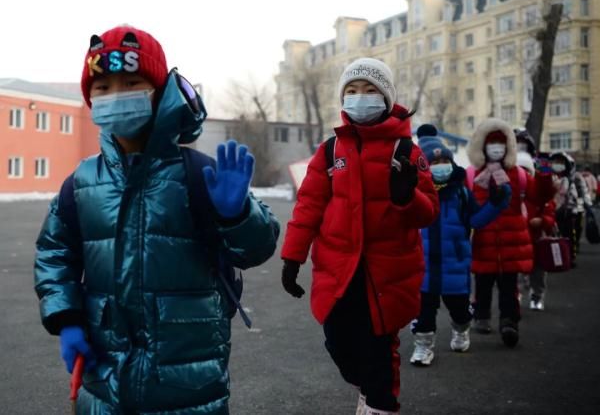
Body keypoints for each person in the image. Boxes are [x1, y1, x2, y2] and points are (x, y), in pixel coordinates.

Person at [34, 25, 280, 414]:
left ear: (159, 92)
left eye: (132, 83)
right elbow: (54, 254)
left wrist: (237, 215)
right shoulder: (81, 183)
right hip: (104, 382)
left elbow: (257, 248)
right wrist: (66, 317)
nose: (116, 97)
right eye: (102, 88)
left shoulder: (200, 175)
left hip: (189, 382)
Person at [280, 58, 439, 414]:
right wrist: (293, 257)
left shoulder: (408, 153)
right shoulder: (330, 151)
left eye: (370, 90)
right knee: (338, 343)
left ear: (386, 97)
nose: (360, 98)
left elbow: (429, 212)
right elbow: (308, 206)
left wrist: (406, 197)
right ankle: (367, 387)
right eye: (352, 91)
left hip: (387, 274)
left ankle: (380, 403)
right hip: (339, 271)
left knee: (380, 350)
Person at [409, 125, 509, 366]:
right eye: (434, 162)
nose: (441, 165)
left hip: (456, 267)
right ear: (423, 167)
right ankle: (423, 347)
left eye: (445, 160)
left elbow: (476, 220)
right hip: (423, 270)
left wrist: (497, 201)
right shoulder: (414, 194)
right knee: (423, 314)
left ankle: (461, 329)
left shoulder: (461, 194)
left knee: (461, 312)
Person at [466, 118, 553, 348]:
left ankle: (509, 323)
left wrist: (544, 175)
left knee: (509, 287)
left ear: (509, 146)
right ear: (482, 146)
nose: (497, 148)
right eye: (492, 143)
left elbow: (540, 196)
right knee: (483, 284)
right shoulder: (472, 175)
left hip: (512, 242)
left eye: (501, 143)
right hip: (484, 242)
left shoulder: (520, 175)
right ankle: (481, 317)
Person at [516, 151, 556, 311]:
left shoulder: (538, 191)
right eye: (519, 170)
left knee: (538, 273)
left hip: (536, 240)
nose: (523, 174)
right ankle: (515, 297)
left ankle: (537, 296)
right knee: (515, 273)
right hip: (517, 241)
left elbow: (550, 212)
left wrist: (542, 221)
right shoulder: (511, 192)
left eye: (526, 170)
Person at [550, 152, 592, 266]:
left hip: (568, 213)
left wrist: (584, 207)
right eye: (555, 162)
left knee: (569, 237)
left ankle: (569, 259)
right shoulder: (549, 178)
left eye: (561, 162)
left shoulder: (571, 179)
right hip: (552, 213)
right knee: (553, 238)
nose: (557, 165)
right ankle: (556, 259)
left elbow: (577, 195)